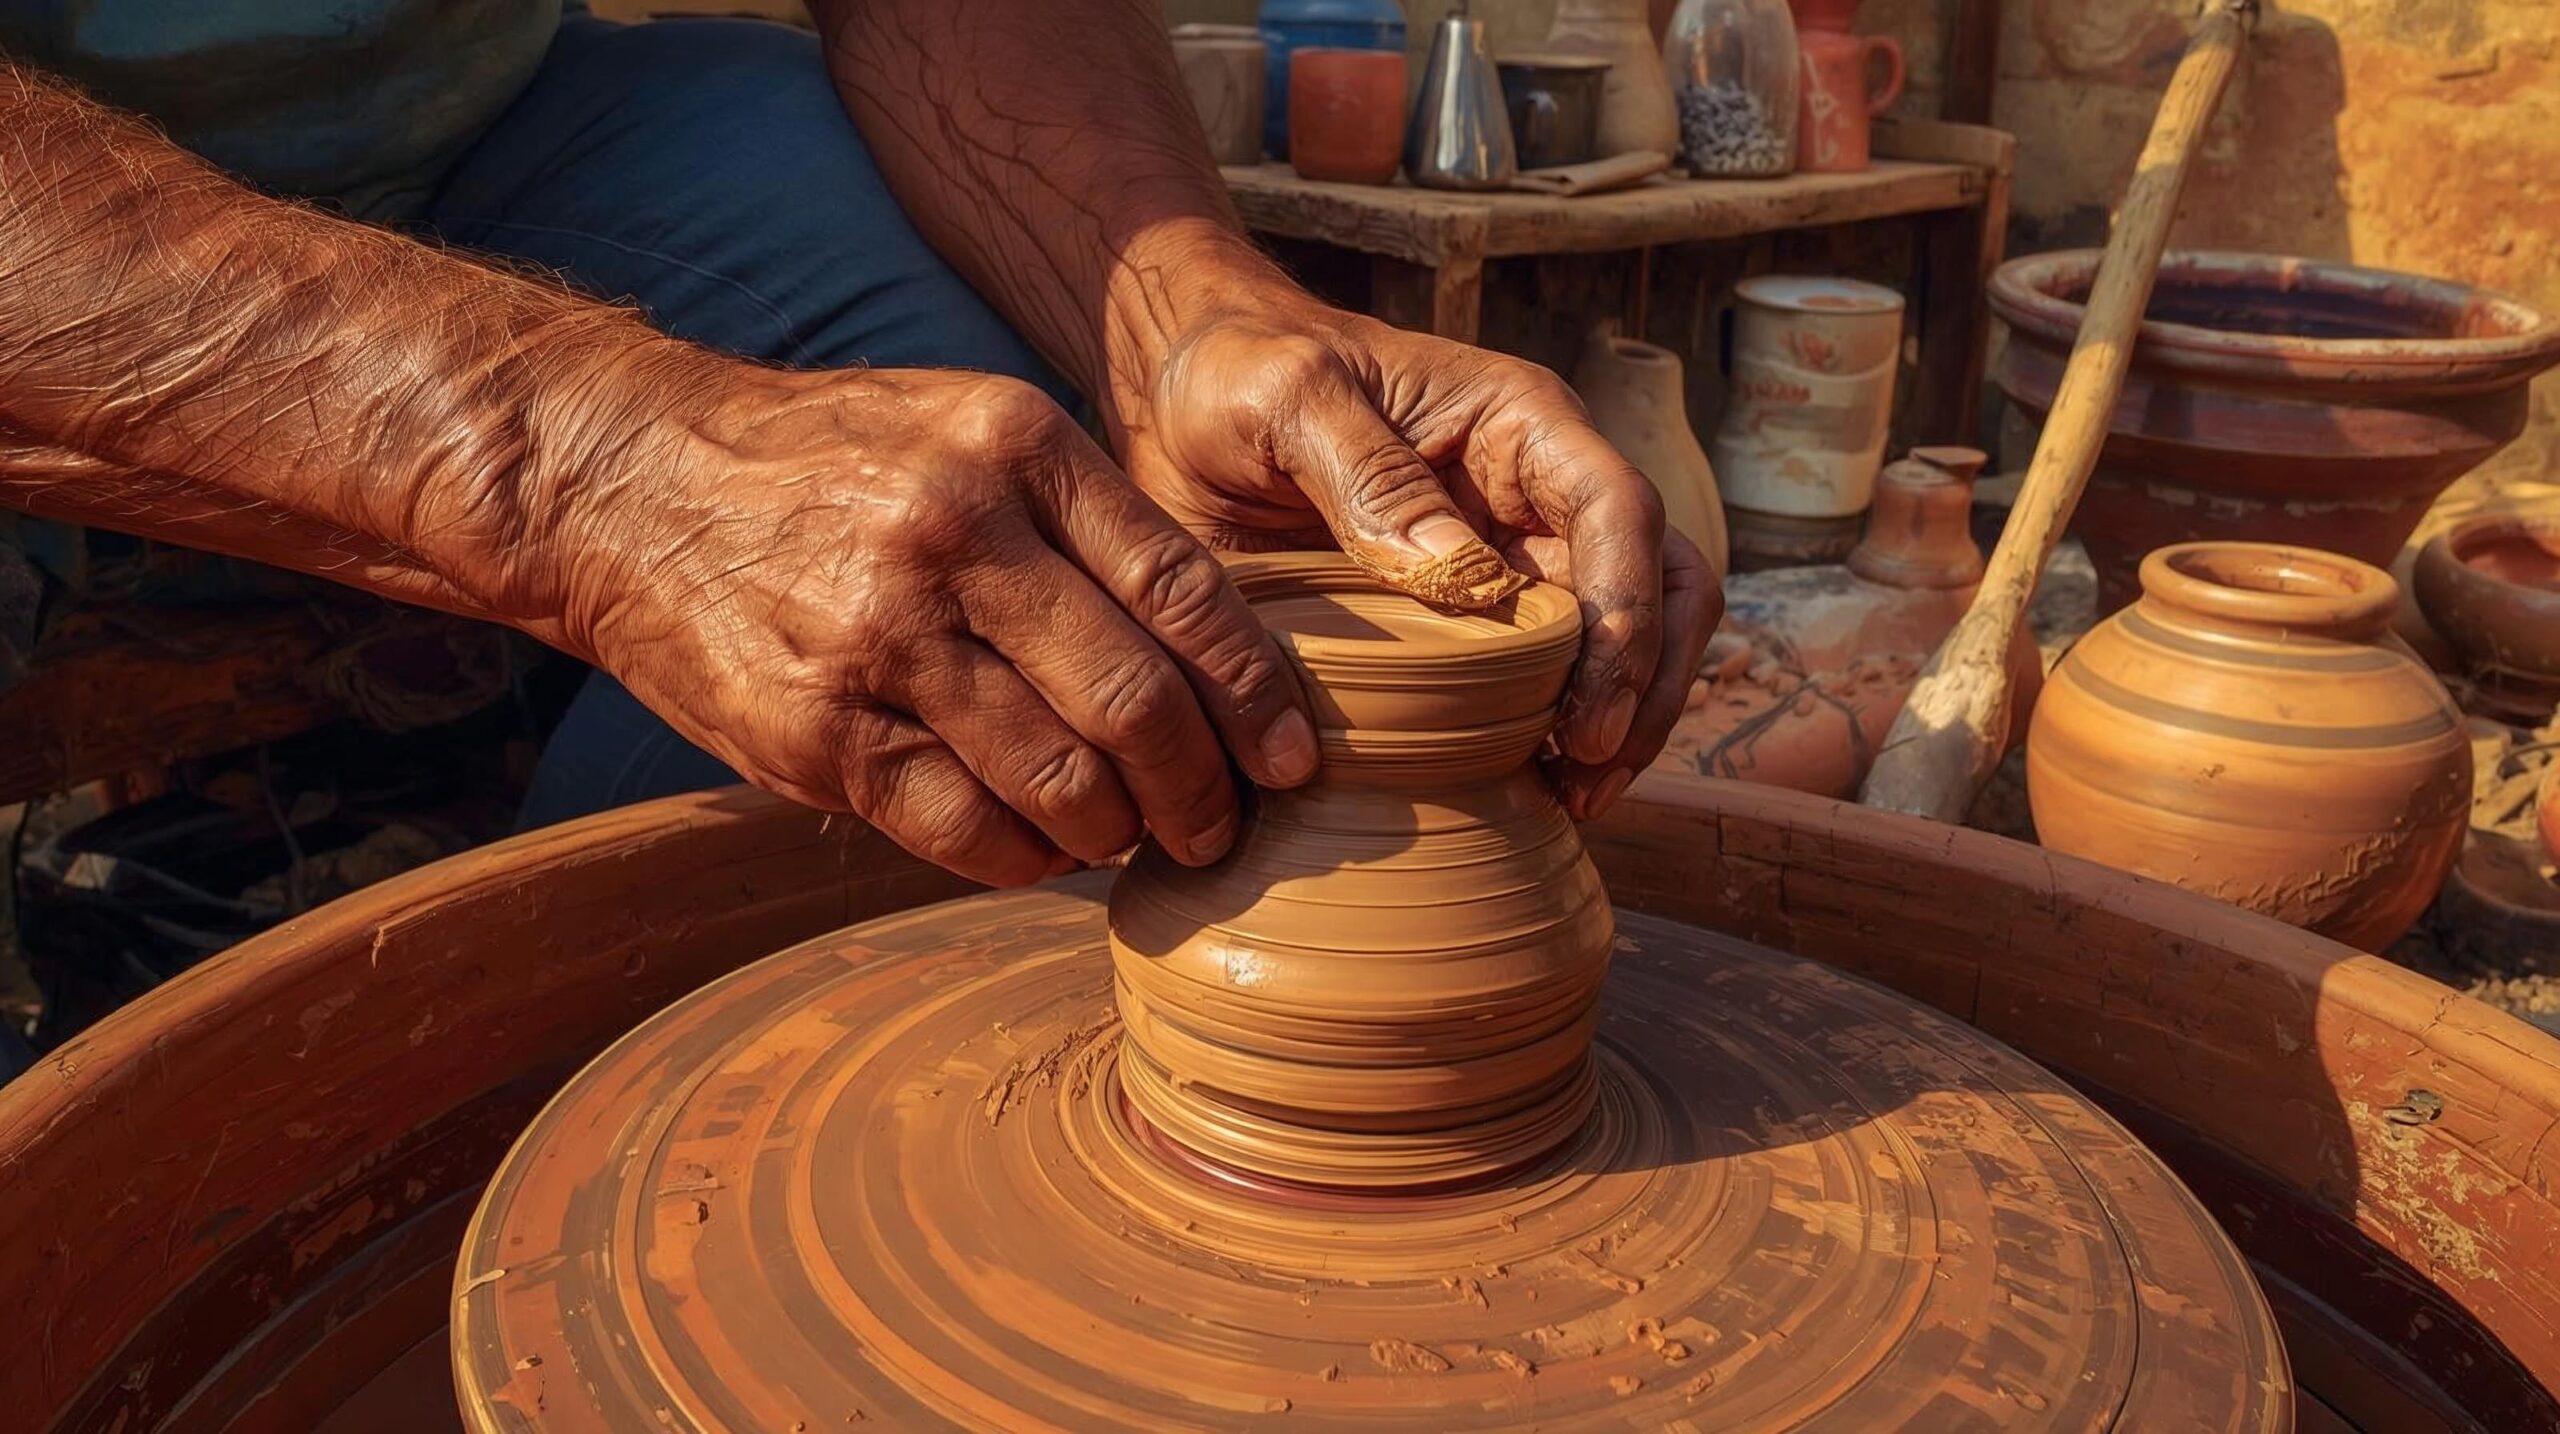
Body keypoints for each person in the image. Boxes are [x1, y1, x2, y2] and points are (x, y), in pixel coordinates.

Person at [0, 2, 1717, 888]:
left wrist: (1179, 311)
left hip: (473, 123)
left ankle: (617, 1005)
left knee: (993, 459)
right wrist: (598, 466)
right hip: (49, 219)